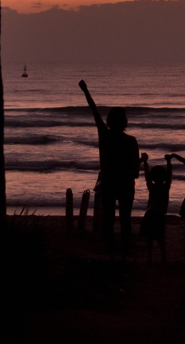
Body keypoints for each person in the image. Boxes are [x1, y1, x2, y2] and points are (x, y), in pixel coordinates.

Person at [79, 79, 139, 256]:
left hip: (109, 182)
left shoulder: (105, 135)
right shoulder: (131, 141)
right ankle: (125, 248)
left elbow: (94, 111)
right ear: (124, 122)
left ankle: (110, 248)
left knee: (109, 219)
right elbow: (135, 168)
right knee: (125, 219)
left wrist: (85, 91)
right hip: (126, 183)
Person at [139, 152, 172, 263]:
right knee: (161, 237)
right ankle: (163, 257)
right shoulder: (165, 187)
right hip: (159, 214)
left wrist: (145, 162)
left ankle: (149, 256)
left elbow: (147, 177)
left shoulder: (152, 187)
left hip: (150, 212)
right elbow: (169, 176)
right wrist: (169, 162)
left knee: (149, 237)